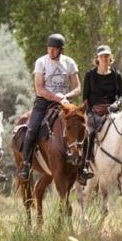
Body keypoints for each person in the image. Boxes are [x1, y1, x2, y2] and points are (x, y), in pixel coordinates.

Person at [17, 34, 85, 183]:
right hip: (44, 102)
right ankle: (26, 164)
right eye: (49, 49)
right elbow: (39, 88)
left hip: (66, 102)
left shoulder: (69, 63)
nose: (51, 52)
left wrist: (66, 96)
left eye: (55, 50)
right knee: (31, 129)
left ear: (61, 50)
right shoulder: (41, 62)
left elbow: (77, 87)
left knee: (81, 128)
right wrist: (56, 97)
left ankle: (83, 167)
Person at [81, 45, 122, 168]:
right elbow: (85, 98)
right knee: (88, 134)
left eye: (107, 56)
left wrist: (116, 105)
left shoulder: (117, 75)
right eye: (102, 56)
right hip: (94, 112)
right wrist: (89, 114)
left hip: (112, 112)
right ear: (97, 58)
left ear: (111, 58)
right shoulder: (89, 75)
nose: (105, 58)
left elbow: (121, 96)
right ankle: (85, 164)